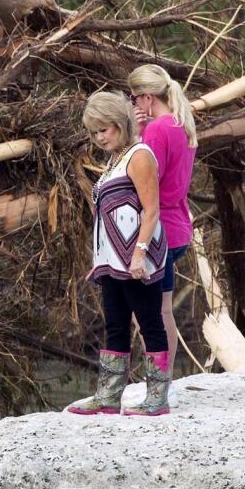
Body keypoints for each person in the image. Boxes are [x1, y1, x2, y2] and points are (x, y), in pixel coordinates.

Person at [66, 90, 172, 417]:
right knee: (115, 325)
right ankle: (109, 396)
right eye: (94, 132)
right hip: (112, 263)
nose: (99, 137)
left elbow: (151, 210)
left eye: (105, 129)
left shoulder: (139, 155)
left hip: (137, 260)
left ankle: (157, 399)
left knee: (150, 322)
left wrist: (139, 255)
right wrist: (100, 262)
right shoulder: (114, 159)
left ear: (120, 124)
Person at [128, 64, 198, 374]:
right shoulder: (181, 124)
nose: (133, 106)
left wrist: (137, 134)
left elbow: (144, 179)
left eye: (133, 99)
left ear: (145, 97)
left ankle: (159, 375)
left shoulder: (157, 130)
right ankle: (163, 375)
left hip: (158, 231)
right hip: (179, 227)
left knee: (150, 312)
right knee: (162, 308)